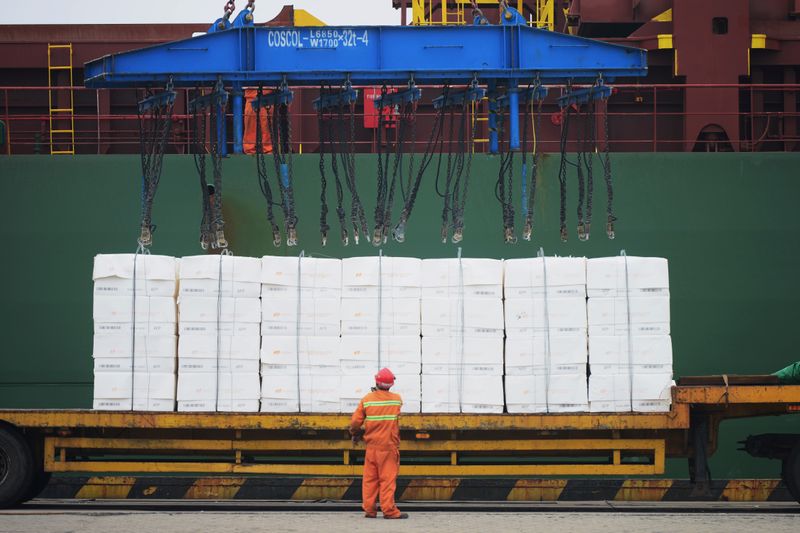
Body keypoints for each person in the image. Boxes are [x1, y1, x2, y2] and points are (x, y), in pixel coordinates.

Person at [349, 367, 409, 519]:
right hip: (388, 447)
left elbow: (355, 422)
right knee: (387, 480)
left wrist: (355, 434)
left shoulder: (367, 400)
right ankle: (389, 511)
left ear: (376, 381)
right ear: (391, 384)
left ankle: (370, 510)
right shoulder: (396, 399)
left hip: (372, 447)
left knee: (370, 480)